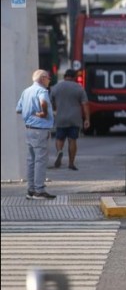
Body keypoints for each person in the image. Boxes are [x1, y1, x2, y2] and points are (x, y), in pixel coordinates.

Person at [15, 69, 56, 200]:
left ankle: (31, 189)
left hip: (29, 129)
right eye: (48, 78)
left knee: (31, 160)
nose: (49, 80)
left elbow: (19, 109)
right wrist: (43, 113)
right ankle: (39, 190)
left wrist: (31, 113)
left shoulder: (26, 91)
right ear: (43, 78)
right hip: (40, 129)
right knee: (40, 160)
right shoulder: (42, 91)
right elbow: (43, 102)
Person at [51, 69, 90, 170]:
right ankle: (71, 163)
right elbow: (85, 104)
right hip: (74, 118)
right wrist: (87, 119)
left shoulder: (56, 87)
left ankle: (59, 151)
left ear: (64, 77)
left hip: (60, 117)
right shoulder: (79, 88)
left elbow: (50, 102)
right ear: (75, 77)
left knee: (59, 138)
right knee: (72, 140)